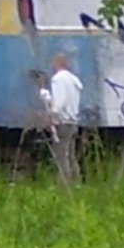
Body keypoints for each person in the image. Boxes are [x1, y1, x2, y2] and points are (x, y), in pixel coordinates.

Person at [47, 53, 83, 186]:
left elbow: (60, 101)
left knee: (61, 156)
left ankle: (64, 186)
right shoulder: (74, 79)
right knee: (71, 155)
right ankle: (77, 183)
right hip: (73, 121)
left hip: (63, 121)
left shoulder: (58, 79)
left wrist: (53, 116)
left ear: (57, 64)